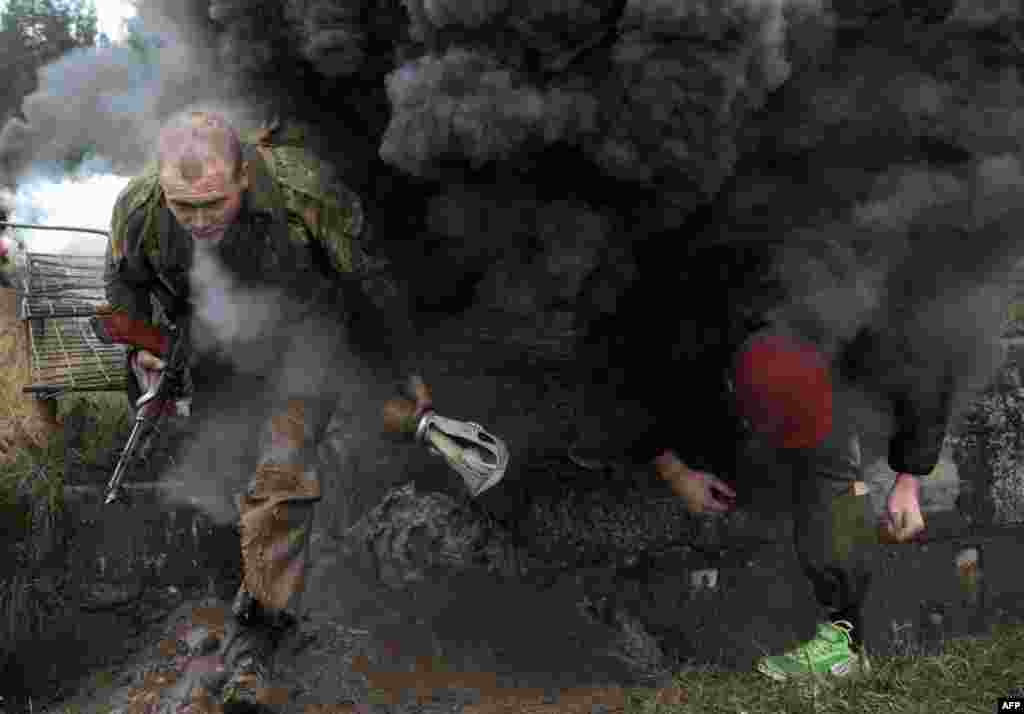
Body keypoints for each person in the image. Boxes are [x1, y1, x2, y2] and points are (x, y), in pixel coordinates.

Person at [103, 111, 435, 710]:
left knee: (282, 473)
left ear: (244, 178)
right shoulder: (141, 205)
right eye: (184, 206)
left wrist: (403, 366)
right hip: (211, 348)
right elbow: (124, 282)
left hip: (303, 341)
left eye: (214, 203)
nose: (199, 220)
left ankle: (255, 640)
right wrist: (140, 349)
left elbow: (370, 282)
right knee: (226, 474)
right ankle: (245, 581)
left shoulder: (303, 191)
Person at [612, 235, 948, 682]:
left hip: (815, 377)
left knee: (833, 478)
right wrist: (674, 470)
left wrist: (908, 481)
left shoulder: (870, 313)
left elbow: (927, 368)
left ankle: (843, 646)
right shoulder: (689, 317)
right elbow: (623, 376)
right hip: (722, 382)